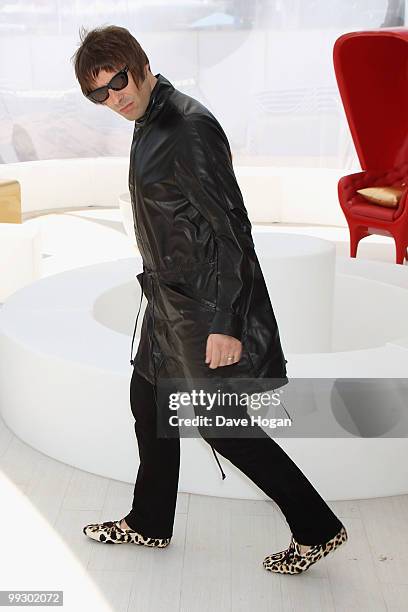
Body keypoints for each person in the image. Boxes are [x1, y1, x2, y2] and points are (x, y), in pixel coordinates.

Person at [71, 25, 348, 574]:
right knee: (147, 402)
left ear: (141, 64)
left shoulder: (187, 127)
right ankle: (149, 522)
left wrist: (226, 322)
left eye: (119, 81)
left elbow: (232, 232)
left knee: (221, 425)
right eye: (100, 93)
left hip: (202, 309)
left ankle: (316, 527)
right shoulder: (149, 121)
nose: (115, 98)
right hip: (168, 302)